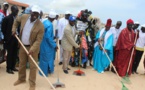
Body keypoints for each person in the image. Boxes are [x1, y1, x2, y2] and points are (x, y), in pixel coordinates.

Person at [12, 6, 44, 90]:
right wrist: (14, 29)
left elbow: (38, 40)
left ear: (38, 14)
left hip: (33, 48)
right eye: (34, 13)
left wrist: (32, 49)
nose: (35, 15)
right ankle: (21, 79)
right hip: (22, 46)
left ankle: (32, 84)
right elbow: (16, 21)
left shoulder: (40, 26)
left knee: (33, 67)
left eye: (37, 13)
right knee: (22, 64)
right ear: (30, 12)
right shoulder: (24, 17)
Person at [39, 11, 57, 76]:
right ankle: (46, 72)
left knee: (43, 58)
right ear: (53, 18)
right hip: (47, 45)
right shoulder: (50, 25)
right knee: (48, 58)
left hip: (42, 43)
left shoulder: (44, 22)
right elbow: (48, 37)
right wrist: (54, 45)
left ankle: (42, 71)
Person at [1, 5, 19, 74]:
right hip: (9, 39)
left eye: (17, 10)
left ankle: (13, 67)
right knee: (10, 53)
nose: (17, 12)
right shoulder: (7, 18)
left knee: (15, 53)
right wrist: (6, 38)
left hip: (16, 38)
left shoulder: (17, 19)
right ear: (12, 10)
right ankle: (8, 68)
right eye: (16, 10)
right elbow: (3, 29)